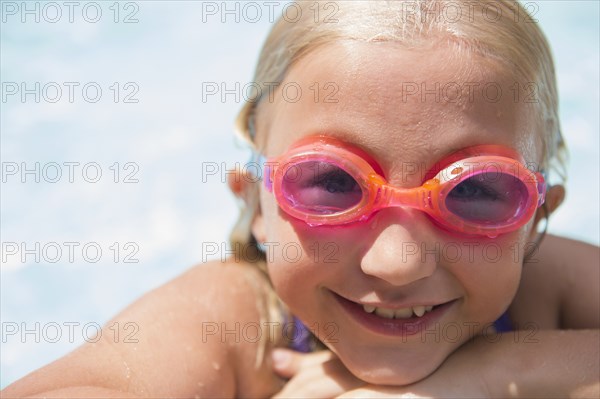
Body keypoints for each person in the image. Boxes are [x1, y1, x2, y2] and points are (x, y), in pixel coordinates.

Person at [3, 1, 598, 397]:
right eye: (333, 182)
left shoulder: (549, 291)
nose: (396, 263)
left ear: (536, 220)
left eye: (474, 191)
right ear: (257, 205)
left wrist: (494, 373)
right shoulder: (244, 321)